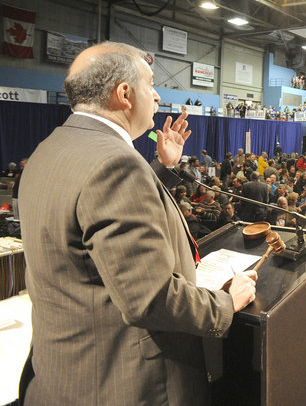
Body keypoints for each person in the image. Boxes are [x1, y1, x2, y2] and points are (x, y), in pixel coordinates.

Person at [18, 42, 257, 405]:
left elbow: (99, 208)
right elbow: (152, 299)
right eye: (150, 85)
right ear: (125, 94)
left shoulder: (50, 148)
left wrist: (165, 167)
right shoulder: (115, 165)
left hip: (64, 372)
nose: (158, 96)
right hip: (121, 383)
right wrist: (226, 302)